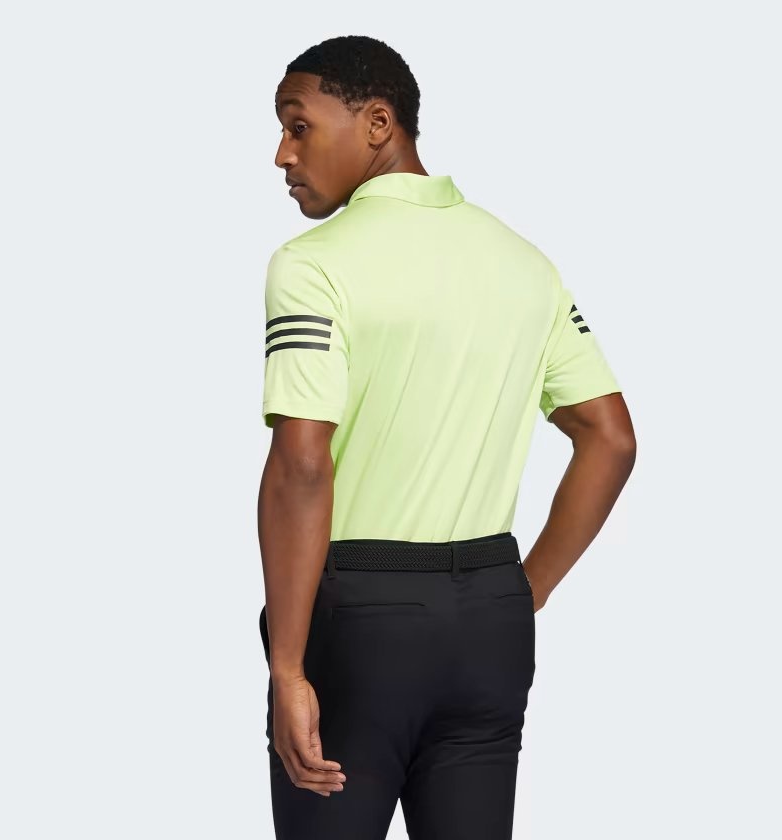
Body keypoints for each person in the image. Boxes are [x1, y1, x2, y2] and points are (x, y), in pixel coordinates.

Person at [257, 34, 636, 840]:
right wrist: (521, 593)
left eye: (298, 125)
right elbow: (610, 437)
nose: (282, 153)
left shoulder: (313, 265)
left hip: (362, 618)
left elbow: (301, 465)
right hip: (491, 621)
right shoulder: (524, 263)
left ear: (378, 122)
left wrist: (288, 666)